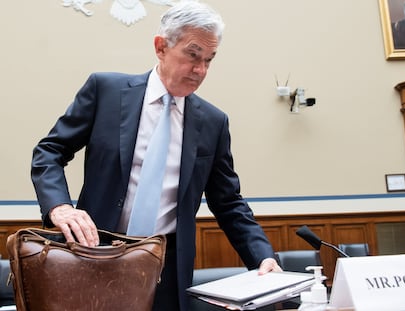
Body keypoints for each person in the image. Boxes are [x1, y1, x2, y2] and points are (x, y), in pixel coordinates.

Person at [31, 2, 281, 310]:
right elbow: (49, 151)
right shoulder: (106, 91)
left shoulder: (214, 123)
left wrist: (263, 256)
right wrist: (60, 208)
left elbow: (228, 202)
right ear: (161, 46)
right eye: (192, 55)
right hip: (94, 253)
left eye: (209, 59)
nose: (200, 69)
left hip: (167, 268)